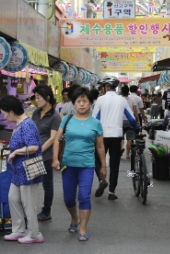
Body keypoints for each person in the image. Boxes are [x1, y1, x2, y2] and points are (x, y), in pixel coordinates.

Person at [52, 87, 106, 242]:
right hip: (68, 165)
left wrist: (103, 166)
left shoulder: (96, 123)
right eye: (78, 101)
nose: (82, 104)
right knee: (68, 199)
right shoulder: (67, 119)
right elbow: (57, 139)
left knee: (84, 197)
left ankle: (83, 227)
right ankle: (74, 217)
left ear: (90, 104)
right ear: (74, 103)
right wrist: (55, 158)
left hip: (87, 166)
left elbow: (100, 146)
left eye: (85, 101)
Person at [0, 96, 45, 244]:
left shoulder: (27, 125)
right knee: (13, 198)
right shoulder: (19, 124)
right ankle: (18, 229)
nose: (4, 116)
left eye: (4, 113)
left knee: (28, 203)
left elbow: (34, 147)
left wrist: (16, 152)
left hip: (28, 170)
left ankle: (35, 233)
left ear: (12, 112)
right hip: (18, 171)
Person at [92, 76, 140, 200]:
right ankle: (111, 192)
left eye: (102, 86)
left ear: (107, 87)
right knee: (115, 164)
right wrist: (136, 129)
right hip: (117, 135)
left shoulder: (100, 100)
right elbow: (131, 118)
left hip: (102, 135)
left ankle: (102, 180)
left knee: (97, 160)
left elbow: (95, 119)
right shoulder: (121, 100)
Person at [31, 85, 62, 223]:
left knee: (47, 184)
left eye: (39, 97)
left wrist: (39, 150)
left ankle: (46, 211)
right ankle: (30, 209)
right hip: (33, 152)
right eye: (36, 97)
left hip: (45, 155)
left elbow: (53, 139)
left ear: (48, 97)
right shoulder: (36, 113)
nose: (36, 100)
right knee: (31, 183)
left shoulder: (55, 116)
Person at [121, 85, 139, 160]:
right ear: (128, 91)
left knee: (120, 138)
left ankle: (119, 152)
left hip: (120, 121)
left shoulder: (119, 99)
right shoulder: (132, 100)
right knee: (130, 139)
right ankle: (127, 155)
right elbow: (135, 111)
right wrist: (137, 120)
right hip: (130, 120)